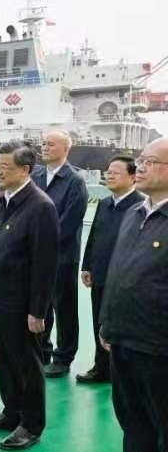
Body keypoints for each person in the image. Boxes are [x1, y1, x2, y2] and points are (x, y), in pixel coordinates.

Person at [93, 138, 168, 452]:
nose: (141, 167)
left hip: (159, 345)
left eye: (150, 161)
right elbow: (118, 272)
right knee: (133, 421)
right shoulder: (135, 213)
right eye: (140, 160)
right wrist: (107, 324)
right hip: (123, 339)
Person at [0, 140, 59, 451]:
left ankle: (31, 424)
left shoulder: (40, 207)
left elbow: (45, 264)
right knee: (5, 361)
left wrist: (38, 310)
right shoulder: (3, 201)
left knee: (27, 365)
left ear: (25, 169)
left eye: (5, 167)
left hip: (22, 306)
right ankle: (11, 411)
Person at [76, 156, 143, 384]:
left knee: (122, 326)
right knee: (99, 321)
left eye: (116, 172)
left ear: (133, 177)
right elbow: (93, 235)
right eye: (108, 172)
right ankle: (101, 368)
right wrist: (87, 265)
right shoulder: (104, 203)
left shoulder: (139, 206)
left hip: (125, 280)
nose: (109, 175)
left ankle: (122, 372)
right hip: (100, 274)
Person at [31, 130, 89, 377]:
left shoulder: (75, 181)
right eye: (43, 143)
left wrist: (42, 245)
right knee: (40, 305)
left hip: (62, 257)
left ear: (66, 149)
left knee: (64, 308)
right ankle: (42, 351)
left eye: (51, 144)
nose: (45, 147)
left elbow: (70, 222)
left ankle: (64, 357)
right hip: (36, 255)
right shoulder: (36, 176)